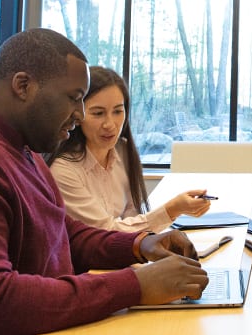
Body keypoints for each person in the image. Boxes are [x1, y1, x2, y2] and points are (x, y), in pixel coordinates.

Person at [0, 28, 209, 335]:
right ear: (23, 86)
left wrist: (139, 245)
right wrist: (134, 285)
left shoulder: (23, 150)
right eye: (74, 99)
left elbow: (62, 233)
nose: (80, 114)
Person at [47, 66, 210, 233]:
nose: (110, 124)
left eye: (118, 111)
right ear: (77, 115)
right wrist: (172, 210)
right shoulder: (63, 171)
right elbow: (105, 232)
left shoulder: (123, 150)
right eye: (98, 113)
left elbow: (133, 214)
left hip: (128, 253)